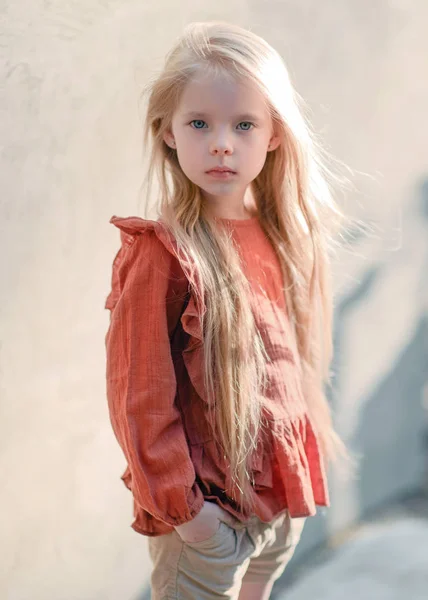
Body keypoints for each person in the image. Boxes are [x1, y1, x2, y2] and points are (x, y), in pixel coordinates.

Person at [104, 20, 350, 600]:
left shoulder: (277, 231)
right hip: (209, 516)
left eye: (244, 124)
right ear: (167, 131)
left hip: (275, 504)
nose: (221, 142)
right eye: (200, 123)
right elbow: (139, 396)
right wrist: (189, 516)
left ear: (272, 135)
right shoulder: (163, 253)